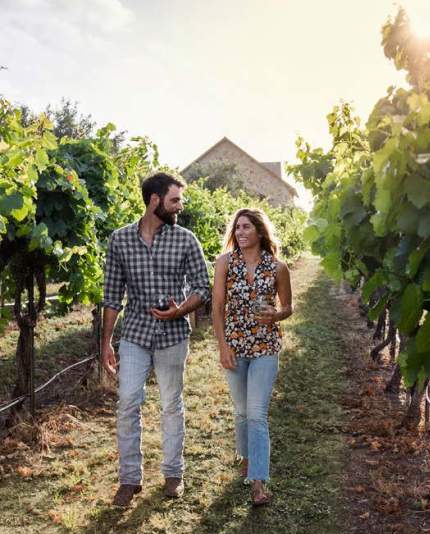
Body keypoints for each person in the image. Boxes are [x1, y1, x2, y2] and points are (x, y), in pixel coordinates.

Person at [101, 172, 210, 507]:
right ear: (154, 200)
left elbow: (202, 287)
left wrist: (180, 311)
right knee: (128, 402)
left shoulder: (186, 239)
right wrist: (106, 341)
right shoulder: (120, 240)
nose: (180, 205)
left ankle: (173, 474)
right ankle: (129, 479)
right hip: (134, 333)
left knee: (171, 404)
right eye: (175, 199)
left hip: (173, 335)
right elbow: (111, 295)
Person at [212, 208, 292, 506]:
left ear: (259, 231)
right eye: (237, 228)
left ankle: (258, 482)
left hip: (265, 347)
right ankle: (246, 456)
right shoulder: (224, 263)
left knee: (257, 414)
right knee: (242, 412)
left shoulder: (277, 267)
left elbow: (287, 307)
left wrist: (277, 315)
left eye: (246, 227)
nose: (240, 232)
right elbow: (217, 308)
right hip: (234, 346)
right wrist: (222, 346)